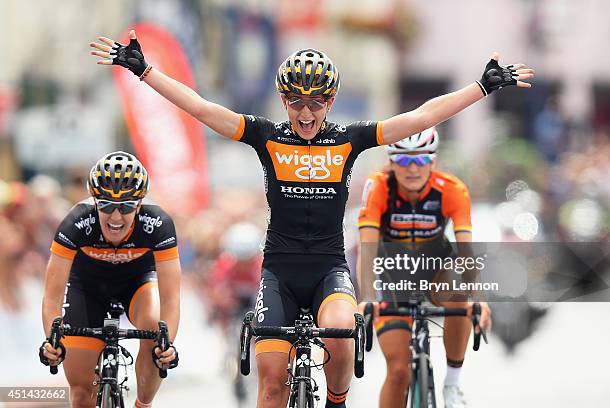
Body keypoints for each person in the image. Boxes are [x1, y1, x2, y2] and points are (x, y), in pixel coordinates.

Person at [90, 30, 533, 408]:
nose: (306, 113)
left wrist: (482, 86)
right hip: (279, 272)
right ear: (284, 100)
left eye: (316, 102)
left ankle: (336, 402)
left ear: (330, 100)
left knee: (341, 338)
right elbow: (204, 110)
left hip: (329, 269)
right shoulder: (267, 136)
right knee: (270, 381)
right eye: (296, 102)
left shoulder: (349, 139)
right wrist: (145, 71)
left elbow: (420, 116)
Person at [357, 128, 492, 408]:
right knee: (398, 373)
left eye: (421, 160)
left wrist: (479, 299)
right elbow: (367, 248)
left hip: (435, 270)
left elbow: (466, 248)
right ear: (392, 163)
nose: (413, 168)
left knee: (459, 299)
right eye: (404, 161)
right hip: (391, 275)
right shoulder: (379, 186)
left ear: (433, 161)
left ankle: (452, 385)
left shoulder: (452, 188)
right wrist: (367, 298)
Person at [39, 151, 181, 408]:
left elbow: (171, 297)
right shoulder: (76, 221)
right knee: (82, 394)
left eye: (126, 206)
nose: (116, 217)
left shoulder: (158, 223)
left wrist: (166, 344)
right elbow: (52, 294)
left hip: (136, 283)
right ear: (94, 202)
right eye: (105, 205)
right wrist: (52, 339)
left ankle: (143, 404)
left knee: (154, 328)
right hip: (87, 288)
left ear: (139, 205)